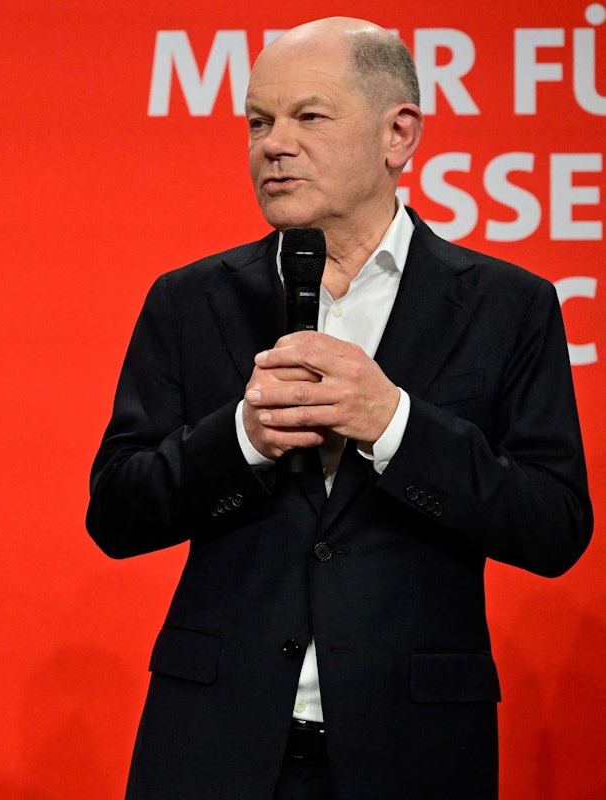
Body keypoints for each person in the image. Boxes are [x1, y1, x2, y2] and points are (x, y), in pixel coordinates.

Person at [87, 17, 592, 800]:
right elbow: (116, 513)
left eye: (307, 117)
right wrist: (242, 438)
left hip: (413, 748)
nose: (273, 145)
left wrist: (393, 424)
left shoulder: (506, 306)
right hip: (213, 744)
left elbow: (554, 525)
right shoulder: (190, 300)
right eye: (258, 121)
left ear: (398, 134)